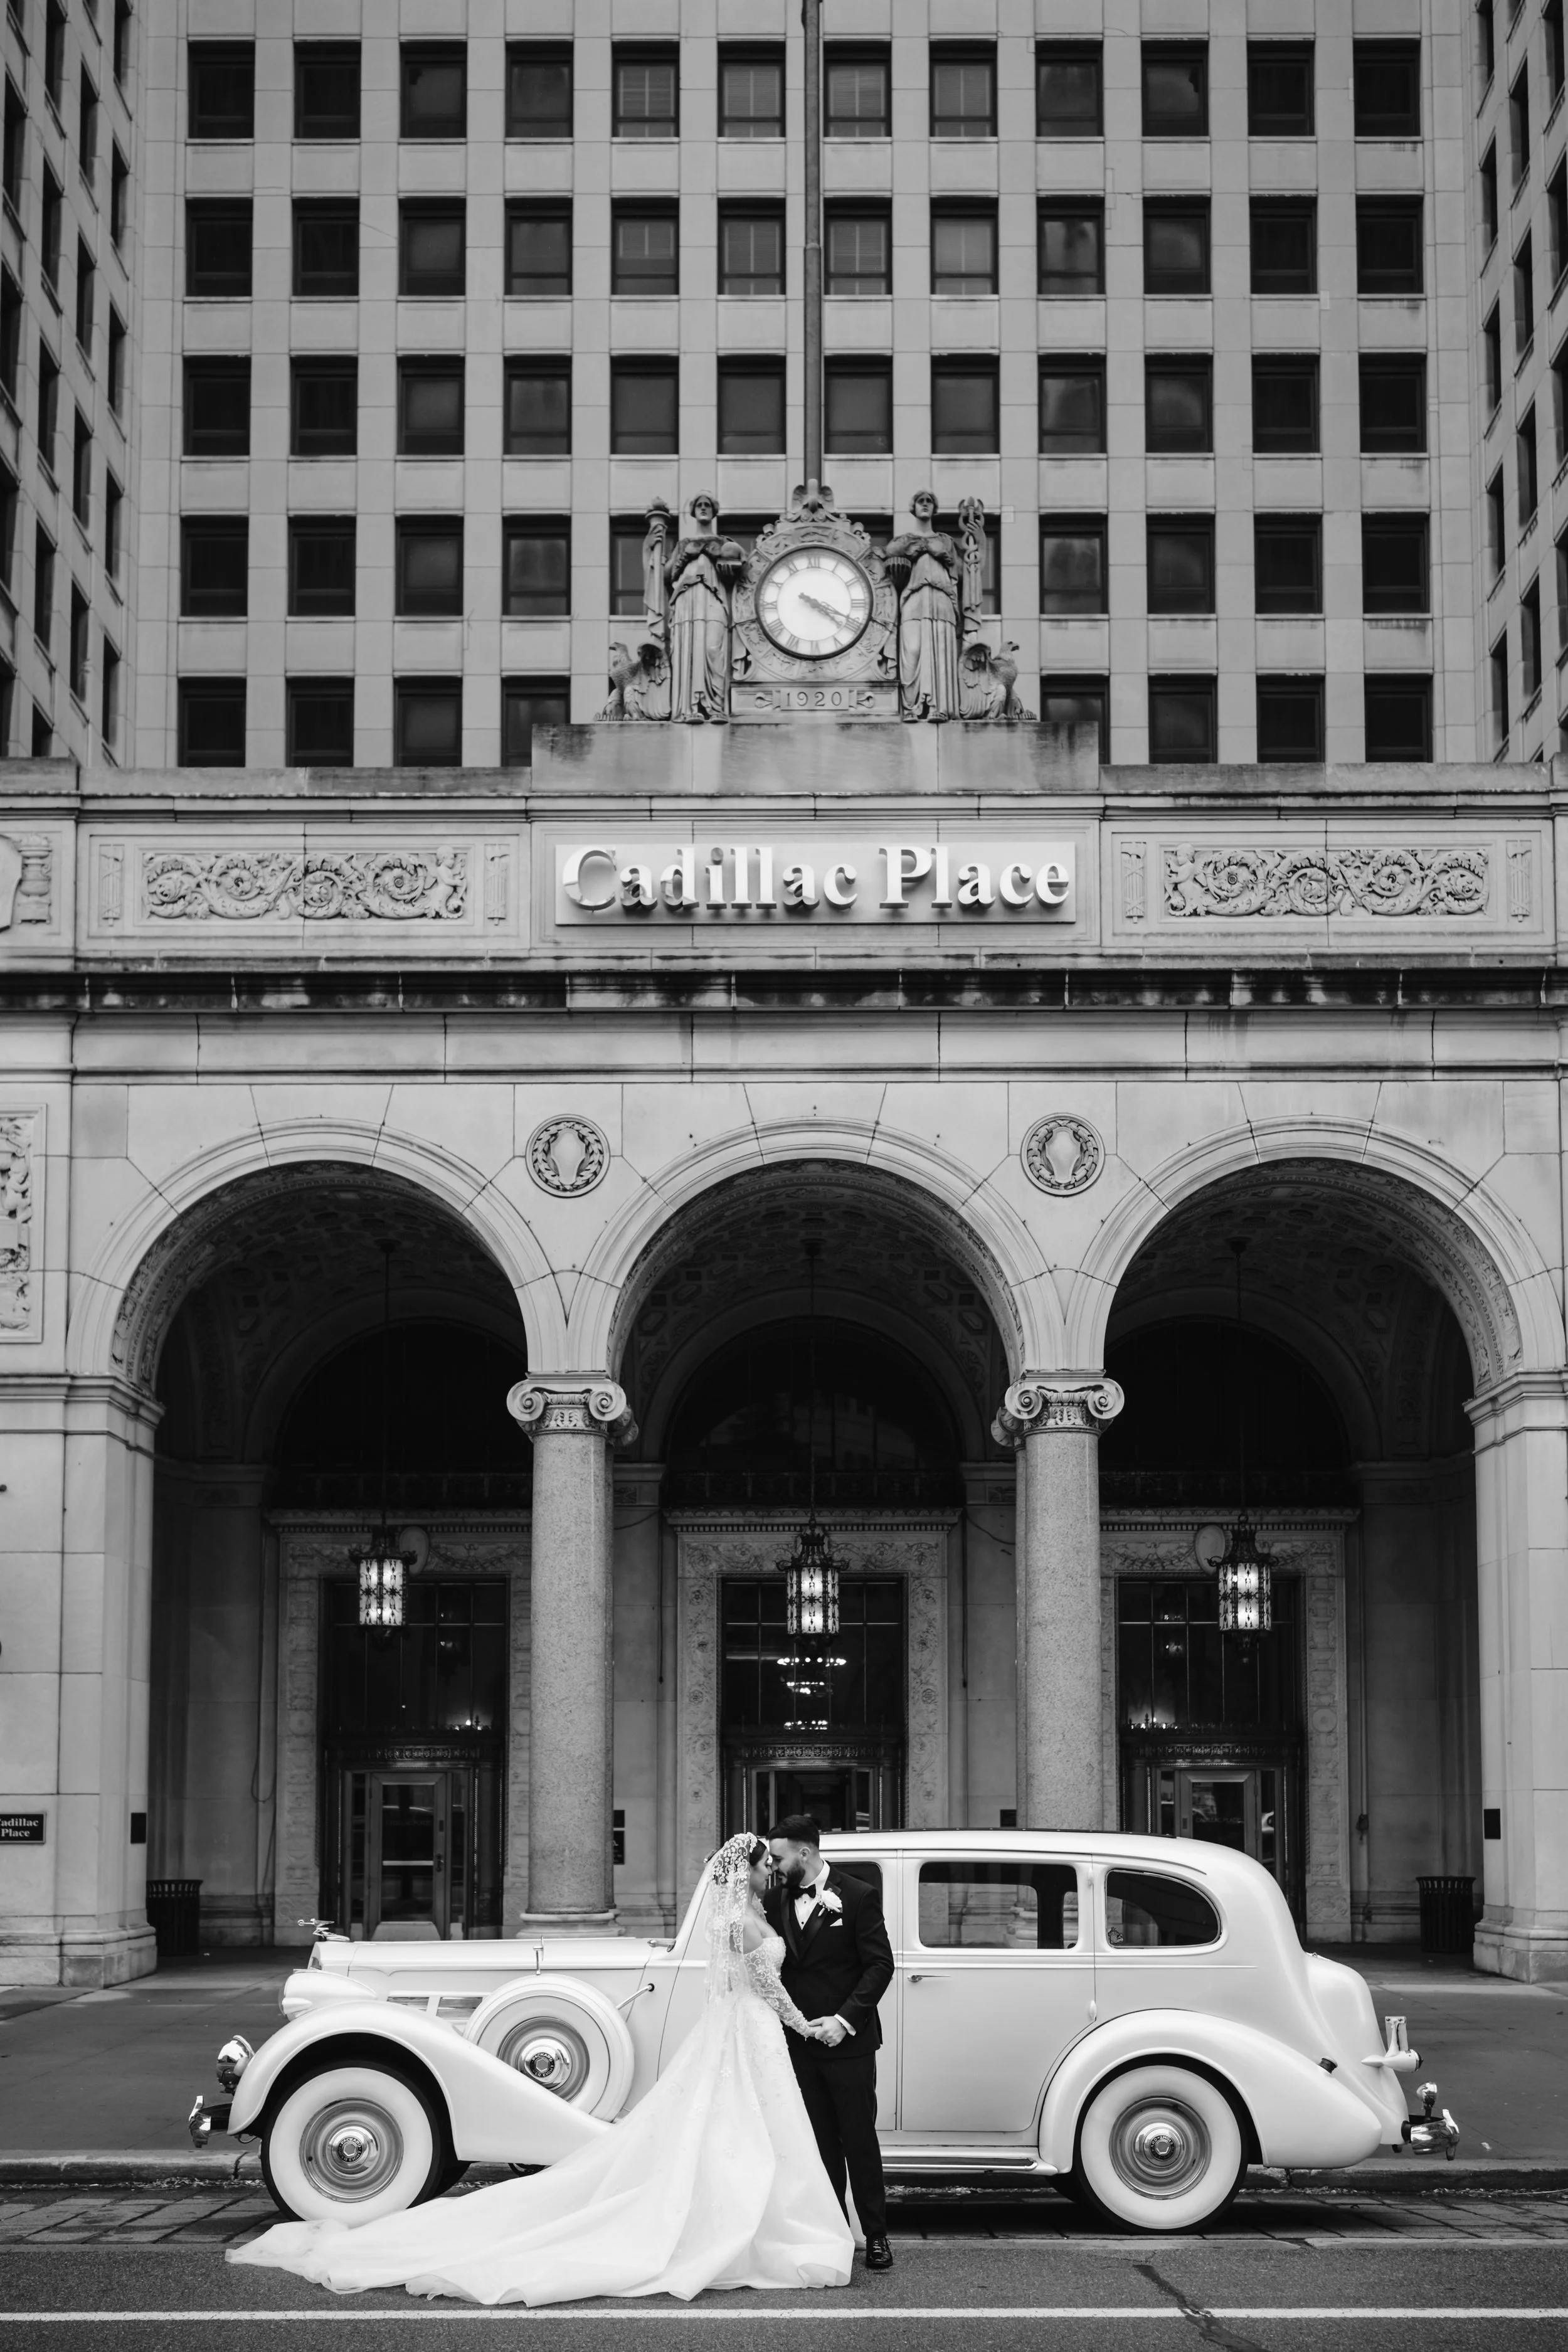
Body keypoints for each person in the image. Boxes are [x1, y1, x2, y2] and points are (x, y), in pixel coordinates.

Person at [227, 1836, 854, 2307]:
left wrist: (803, 2021)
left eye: (772, 1862)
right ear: (742, 1872)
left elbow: (763, 1979)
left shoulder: (743, 1916)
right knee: (740, 2127)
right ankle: (758, 2222)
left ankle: (748, 2219)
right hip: (755, 2031)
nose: (769, 1870)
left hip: (748, 2033)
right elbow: (767, 1986)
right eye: (761, 1864)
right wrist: (804, 2023)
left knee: (736, 2128)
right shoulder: (744, 1919)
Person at [765, 1814, 896, 2274]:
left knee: (859, 2139)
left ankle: (876, 2235)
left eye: (779, 1857)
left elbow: (880, 1965)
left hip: (848, 2043)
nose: (774, 1866)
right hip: (797, 2044)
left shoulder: (858, 1895)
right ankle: (836, 2233)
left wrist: (844, 2021)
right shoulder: (773, 1897)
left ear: (805, 1853)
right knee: (819, 2144)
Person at [882, 490, 963, 723]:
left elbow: (960, 567)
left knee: (938, 651)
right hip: (913, 598)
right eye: (921, 501)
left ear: (935, 508)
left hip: (941, 599)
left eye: (929, 501)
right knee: (913, 651)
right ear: (914, 507)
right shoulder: (907, 539)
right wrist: (920, 548)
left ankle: (939, 706)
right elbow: (891, 552)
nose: (925, 505)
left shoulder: (945, 541)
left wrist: (945, 553)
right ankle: (911, 707)